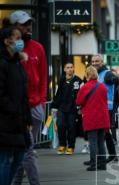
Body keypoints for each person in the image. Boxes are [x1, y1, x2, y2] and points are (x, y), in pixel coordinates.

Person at [10, 10, 47, 185]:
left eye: (29, 23)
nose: (28, 27)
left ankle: (15, 181)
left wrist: (41, 99)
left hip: (35, 106)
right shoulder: (10, 48)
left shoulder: (38, 47)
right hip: (17, 108)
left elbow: (43, 76)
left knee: (23, 149)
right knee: (27, 149)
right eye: (24, 24)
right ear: (14, 27)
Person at [0, 24, 32, 185]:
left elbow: (23, 94)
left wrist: (27, 118)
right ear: (7, 41)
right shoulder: (3, 63)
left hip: (18, 120)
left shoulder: (16, 63)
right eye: (17, 38)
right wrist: (14, 110)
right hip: (6, 120)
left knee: (19, 155)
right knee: (5, 158)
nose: (21, 42)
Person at [76, 66, 110, 171]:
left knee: (93, 142)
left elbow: (78, 102)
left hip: (91, 118)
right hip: (103, 117)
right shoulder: (102, 86)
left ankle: (94, 164)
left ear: (87, 75)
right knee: (101, 142)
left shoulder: (85, 87)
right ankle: (102, 164)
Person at [91, 54, 119, 163]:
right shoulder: (94, 74)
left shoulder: (106, 74)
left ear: (101, 62)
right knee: (106, 133)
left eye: (97, 61)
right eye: (93, 61)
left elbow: (117, 82)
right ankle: (112, 155)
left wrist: (114, 79)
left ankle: (98, 159)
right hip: (98, 108)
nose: (94, 63)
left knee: (101, 133)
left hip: (106, 108)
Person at [51, 62, 83, 155]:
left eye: (71, 67)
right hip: (61, 108)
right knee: (60, 125)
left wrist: (80, 107)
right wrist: (54, 107)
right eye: (68, 67)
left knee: (71, 127)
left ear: (73, 69)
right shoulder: (61, 80)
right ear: (64, 69)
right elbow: (57, 95)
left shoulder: (79, 81)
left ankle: (71, 146)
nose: (70, 69)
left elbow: (82, 94)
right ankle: (62, 145)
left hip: (73, 108)